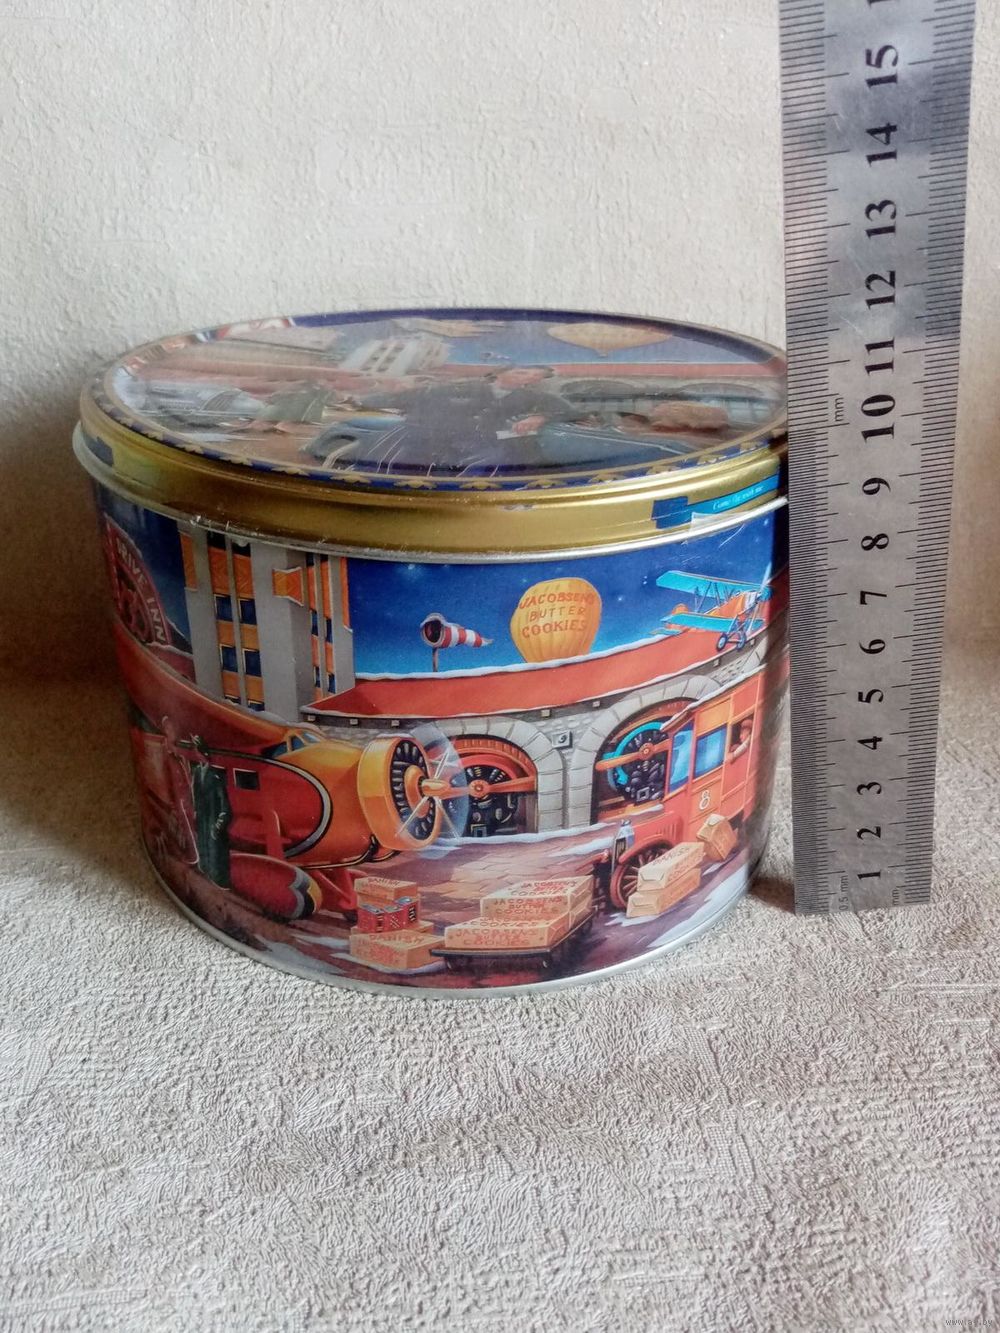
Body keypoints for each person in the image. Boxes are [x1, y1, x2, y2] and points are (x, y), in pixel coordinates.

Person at [189, 738, 233, 887]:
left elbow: (226, 808)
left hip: (213, 823)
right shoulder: (196, 773)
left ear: (203, 753)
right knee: (204, 856)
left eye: (197, 751)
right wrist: (195, 813)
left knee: (216, 859)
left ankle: (220, 885)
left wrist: (217, 827)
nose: (195, 754)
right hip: (202, 822)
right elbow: (195, 796)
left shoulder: (215, 776)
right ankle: (206, 883)